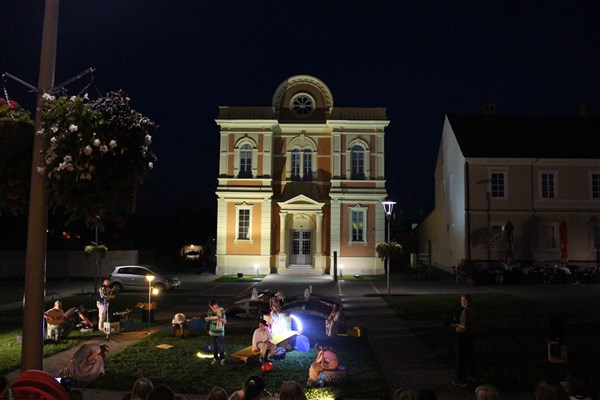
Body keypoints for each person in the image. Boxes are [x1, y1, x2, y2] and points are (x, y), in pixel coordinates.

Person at [451, 293, 477, 387]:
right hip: (470, 335)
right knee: (470, 356)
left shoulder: (465, 312)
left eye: (462, 300)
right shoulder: (473, 310)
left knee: (460, 358)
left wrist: (455, 325)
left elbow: (465, 326)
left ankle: (461, 379)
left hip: (462, 336)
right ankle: (472, 376)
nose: (460, 302)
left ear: (466, 301)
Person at [205, 299, 227, 365]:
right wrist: (208, 319)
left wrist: (217, 318)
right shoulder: (209, 311)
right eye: (210, 307)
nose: (211, 308)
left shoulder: (221, 310)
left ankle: (222, 359)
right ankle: (215, 358)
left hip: (220, 332)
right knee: (214, 347)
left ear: (216, 305)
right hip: (212, 332)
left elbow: (225, 321)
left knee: (221, 347)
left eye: (212, 307)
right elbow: (208, 320)